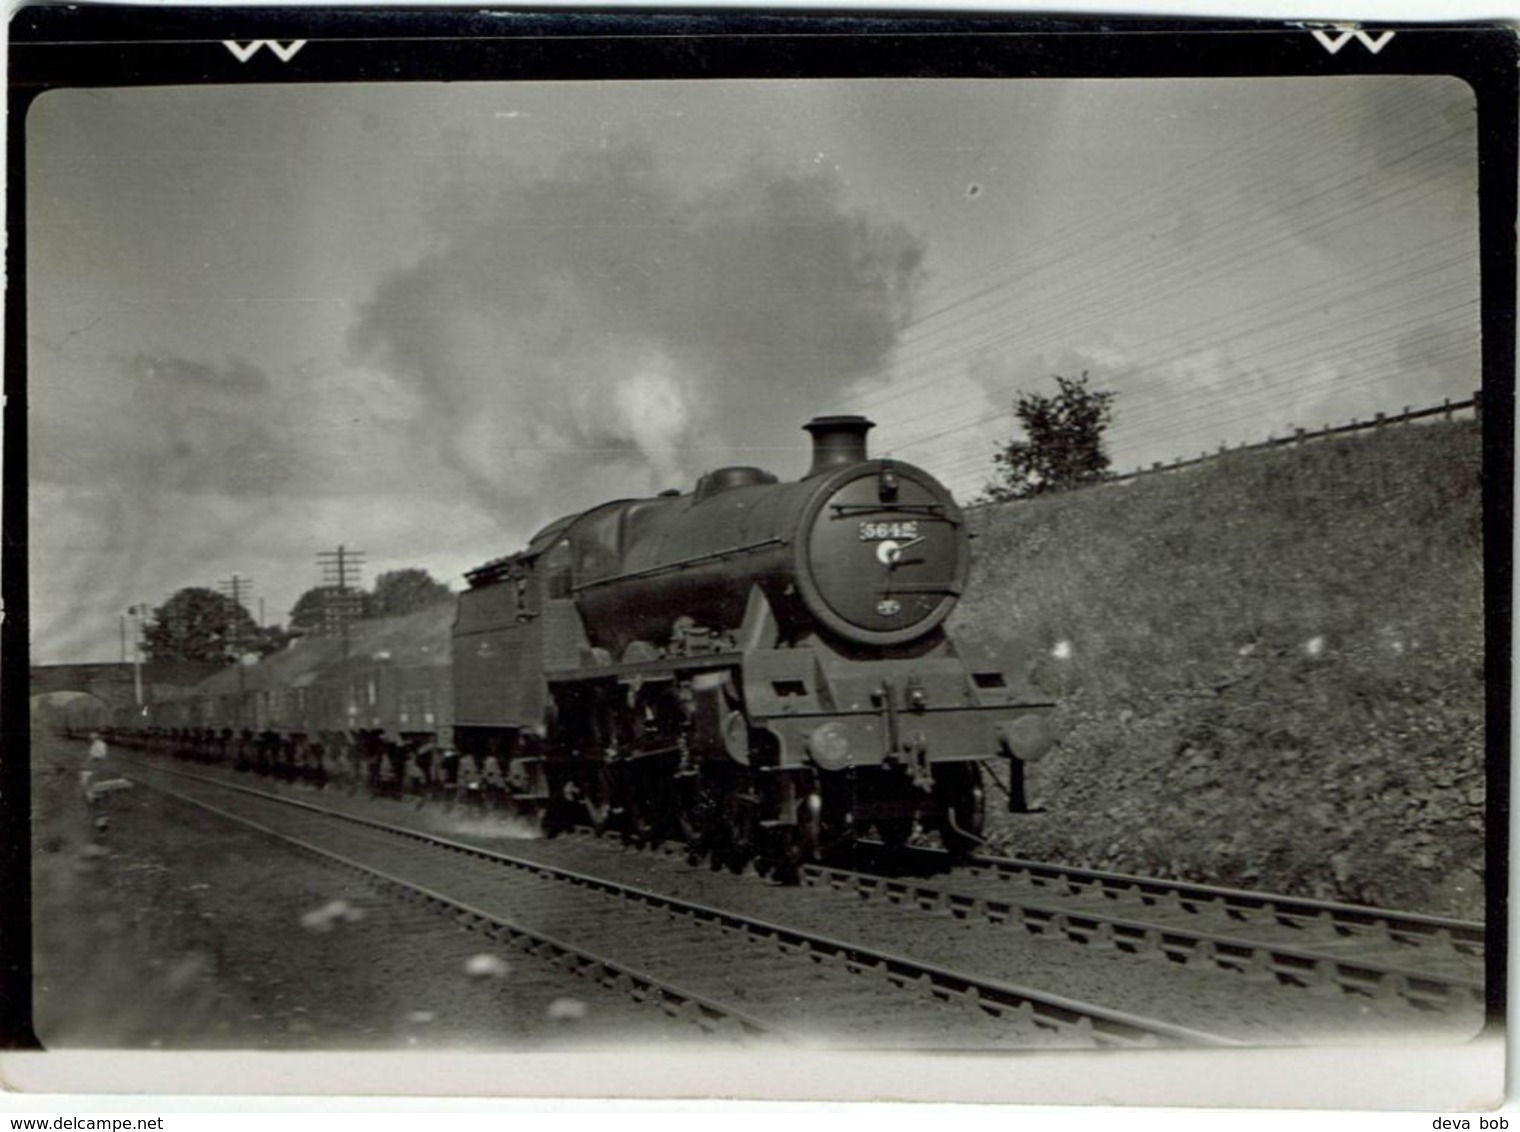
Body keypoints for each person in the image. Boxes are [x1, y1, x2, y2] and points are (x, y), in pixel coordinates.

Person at [81, 731, 107, 804]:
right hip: (93, 764)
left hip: (96, 763)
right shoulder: (95, 744)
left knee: (88, 780)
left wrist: (92, 758)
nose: (90, 739)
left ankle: (92, 797)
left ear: (96, 737)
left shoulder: (101, 744)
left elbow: (102, 755)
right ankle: (91, 796)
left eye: (91, 737)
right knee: (86, 780)